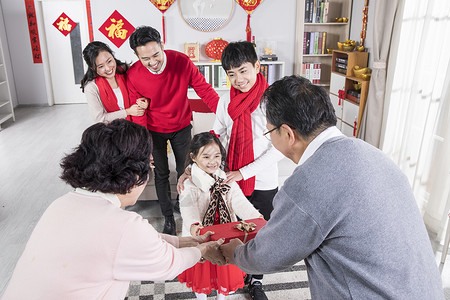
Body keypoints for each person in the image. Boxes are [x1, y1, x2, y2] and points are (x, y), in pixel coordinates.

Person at [220, 75, 445, 299]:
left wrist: (236, 253)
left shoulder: (307, 183)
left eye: (269, 133)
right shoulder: (374, 154)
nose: (270, 140)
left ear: (288, 134)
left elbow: (268, 256)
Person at [2, 119, 225, 300]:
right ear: (134, 174)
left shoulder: (61, 204)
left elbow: (130, 242)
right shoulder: (124, 226)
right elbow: (169, 265)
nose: (151, 169)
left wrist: (189, 241)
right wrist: (204, 250)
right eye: (150, 165)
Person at [178, 41, 284, 300]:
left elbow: (280, 148)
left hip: (261, 179)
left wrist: (244, 173)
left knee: (259, 232)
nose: (238, 79)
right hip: (227, 180)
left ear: (258, 67)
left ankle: (256, 281)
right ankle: (233, 271)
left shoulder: (272, 102)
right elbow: (217, 137)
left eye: (244, 71)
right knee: (231, 229)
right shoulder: (226, 100)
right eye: (231, 74)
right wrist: (193, 169)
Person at [127, 26, 220, 236]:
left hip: (181, 126)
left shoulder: (181, 61)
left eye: (156, 55)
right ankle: (168, 218)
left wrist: (223, 113)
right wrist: (144, 144)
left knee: (184, 170)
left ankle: (182, 205)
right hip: (154, 130)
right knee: (160, 174)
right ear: (136, 55)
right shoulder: (133, 74)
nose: (152, 62)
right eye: (145, 58)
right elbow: (139, 113)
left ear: (162, 46)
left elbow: (203, 88)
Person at [177, 132, 263, 300]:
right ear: (193, 157)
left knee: (224, 268)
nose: (212, 161)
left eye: (217, 156)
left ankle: (220, 297)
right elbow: (188, 208)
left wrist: (256, 217)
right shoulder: (190, 183)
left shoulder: (225, 179)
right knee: (201, 274)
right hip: (201, 235)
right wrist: (194, 225)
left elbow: (239, 202)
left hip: (226, 234)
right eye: (206, 156)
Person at [80, 41, 148, 123]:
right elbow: (100, 119)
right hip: (112, 130)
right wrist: (127, 112)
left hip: (136, 124)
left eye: (109, 61)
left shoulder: (125, 70)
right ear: (92, 68)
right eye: (101, 66)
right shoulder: (91, 87)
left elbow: (143, 91)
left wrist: (145, 100)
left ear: (113, 56)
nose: (108, 68)